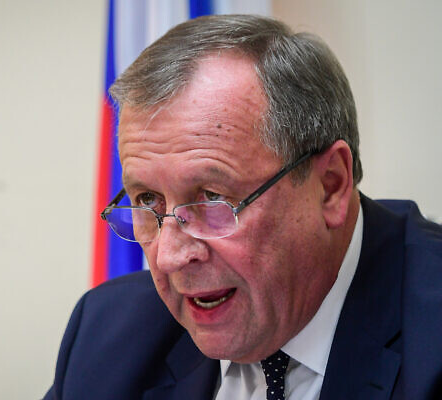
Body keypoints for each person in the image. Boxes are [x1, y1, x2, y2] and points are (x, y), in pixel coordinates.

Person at [44, 14, 442, 400]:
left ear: (330, 186)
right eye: (147, 199)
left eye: (212, 198)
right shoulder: (104, 339)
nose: (168, 257)